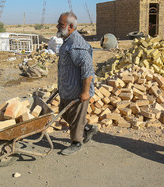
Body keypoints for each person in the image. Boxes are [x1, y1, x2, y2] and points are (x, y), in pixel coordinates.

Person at [56, 12, 98, 156]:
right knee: (65, 113)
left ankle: (76, 143)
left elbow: (88, 71)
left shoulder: (77, 45)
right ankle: (87, 128)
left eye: (60, 24)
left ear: (71, 26)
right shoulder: (68, 41)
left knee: (76, 118)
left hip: (77, 92)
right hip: (67, 89)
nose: (57, 26)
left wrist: (85, 92)